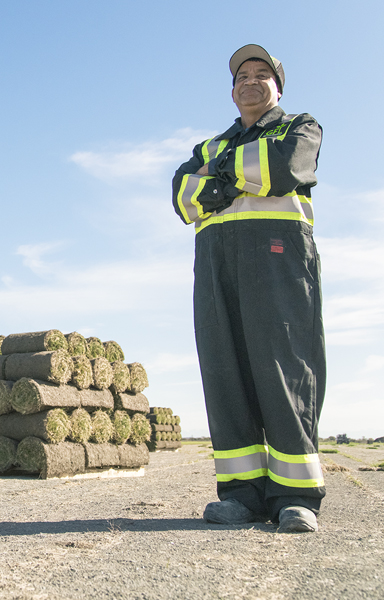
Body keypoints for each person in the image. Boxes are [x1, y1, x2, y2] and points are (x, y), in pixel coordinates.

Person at [172, 44, 326, 533]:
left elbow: (283, 168)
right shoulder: (209, 146)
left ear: (278, 87)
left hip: (278, 258)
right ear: (232, 90)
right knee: (225, 372)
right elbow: (183, 196)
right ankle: (241, 494)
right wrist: (239, 176)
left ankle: (295, 497)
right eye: (242, 76)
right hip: (216, 265)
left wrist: (215, 180)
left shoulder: (299, 127)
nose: (250, 81)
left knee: (284, 369)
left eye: (262, 74)